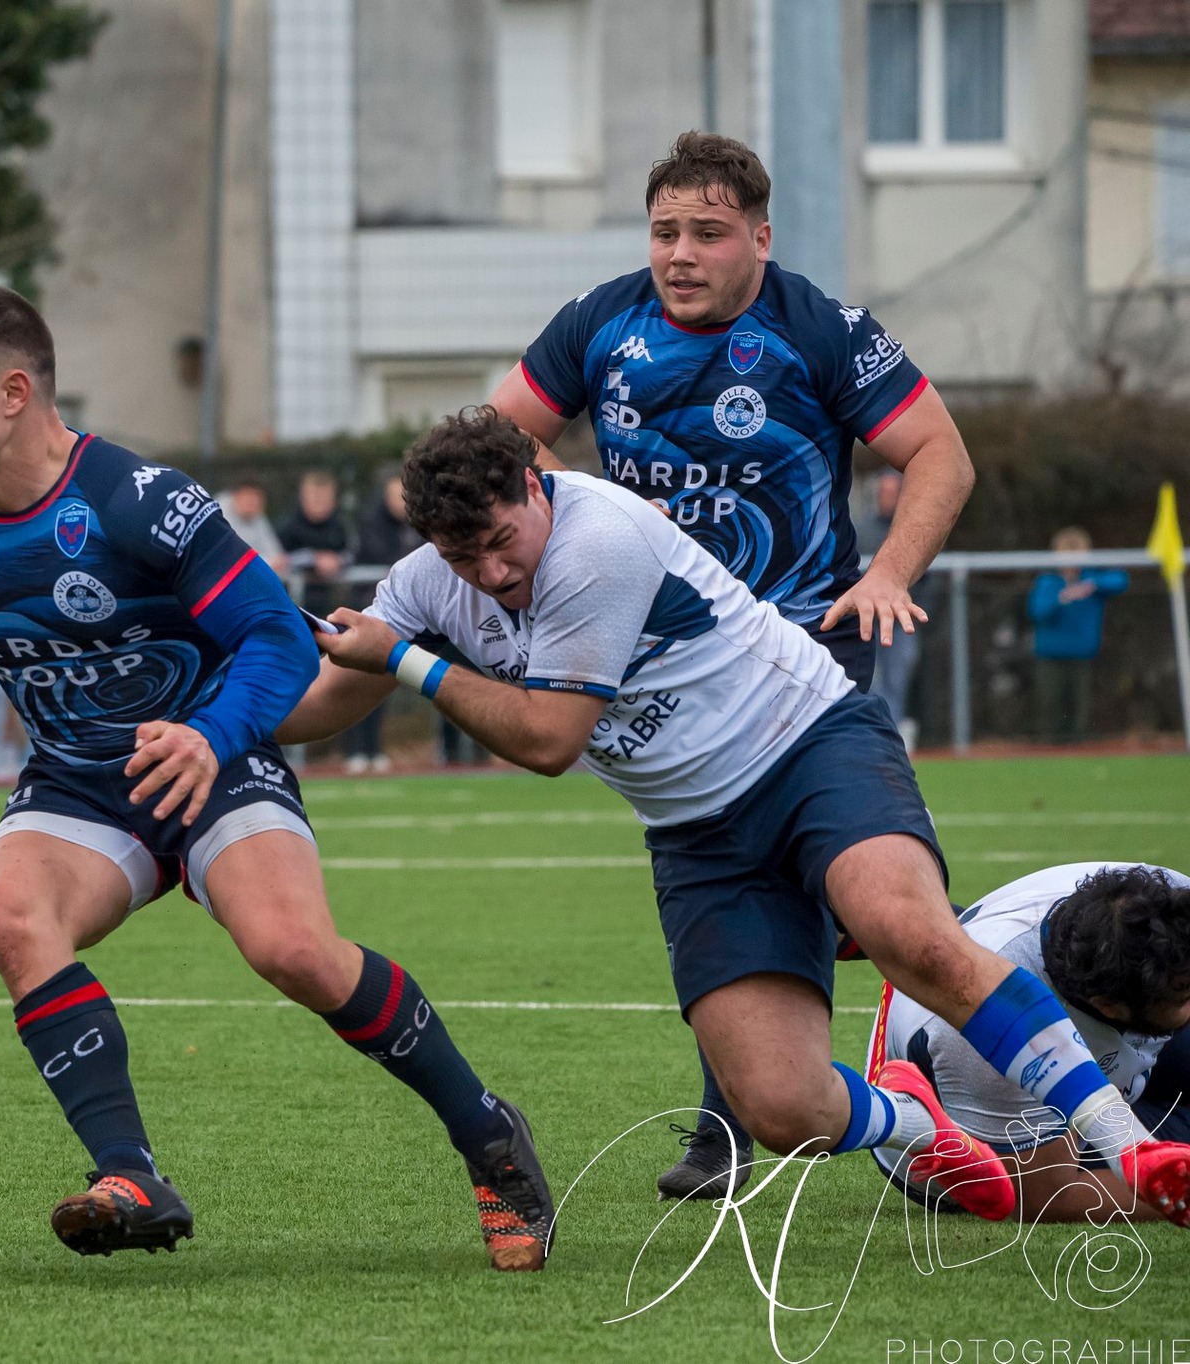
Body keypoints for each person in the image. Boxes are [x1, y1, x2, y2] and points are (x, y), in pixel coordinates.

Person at [279, 407, 1190, 1231]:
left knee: (911, 936)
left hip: (809, 747)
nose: (490, 573)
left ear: (532, 484)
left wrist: (407, 661)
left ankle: (1131, 1147)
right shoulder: (428, 580)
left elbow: (549, 739)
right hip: (699, 836)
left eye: (498, 542)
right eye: (460, 559)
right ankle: (916, 1122)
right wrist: (227, 726)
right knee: (782, 1108)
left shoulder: (597, 538)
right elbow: (329, 694)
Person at [0, 286, 555, 1270]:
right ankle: (127, 1175)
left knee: (295, 951)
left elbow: (275, 636)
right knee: (15, 921)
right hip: (78, 777)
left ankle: (486, 1132)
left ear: (12, 392)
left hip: (214, 753)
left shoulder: (139, 498)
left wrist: (210, 735)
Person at [486, 132, 978, 1200]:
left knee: (838, 883)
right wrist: (579, 515)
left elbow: (939, 451)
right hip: (672, 653)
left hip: (805, 638)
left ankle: (919, 1035)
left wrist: (888, 571)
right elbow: (495, 437)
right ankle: (746, 1098)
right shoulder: (598, 322)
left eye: (706, 233)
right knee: (741, 867)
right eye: (664, 231)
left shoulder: (819, 328)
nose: (679, 253)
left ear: (758, 237)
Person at [867, 863, 1190, 1221]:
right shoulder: (988, 1032)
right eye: (1183, 996)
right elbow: (1050, 1195)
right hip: (995, 1135)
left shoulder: (1166, 901)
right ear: (1108, 1005)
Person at [343, 465, 422, 774]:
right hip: (368, 610)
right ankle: (354, 750)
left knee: (381, 684)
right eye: (393, 494)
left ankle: (373, 748)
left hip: (403, 620)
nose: (399, 501)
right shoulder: (371, 523)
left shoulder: (418, 524)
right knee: (355, 681)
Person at [1028, 527, 1127, 744]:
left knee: (1081, 708)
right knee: (1050, 705)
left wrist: (1092, 585)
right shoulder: (1048, 581)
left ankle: (1080, 748)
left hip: (1082, 655)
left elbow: (1121, 581)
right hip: (1050, 655)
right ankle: (1048, 747)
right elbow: (1036, 612)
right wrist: (1060, 599)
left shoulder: (1091, 579)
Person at [853, 470, 920, 747]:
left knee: (898, 678)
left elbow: (928, 579)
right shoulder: (860, 531)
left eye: (894, 493)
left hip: (901, 621)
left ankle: (893, 735)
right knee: (871, 680)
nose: (889, 498)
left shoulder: (914, 530)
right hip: (866, 620)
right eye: (885, 493)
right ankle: (875, 736)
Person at [277, 468, 351, 618]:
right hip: (292, 606)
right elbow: (279, 560)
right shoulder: (287, 526)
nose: (319, 503)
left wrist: (337, 561)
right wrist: (313, 559)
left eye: (324, 498)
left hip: (332, 604)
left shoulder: (340, 525)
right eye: (315, 497)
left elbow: (352, 553)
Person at [220, 478, 288, 577]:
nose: (253, 503)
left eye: (257, 499)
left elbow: (274, 551)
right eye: (249, 497)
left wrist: (277, 561)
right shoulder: (219, 514)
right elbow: (232, 555)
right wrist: (269, 562)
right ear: (236, 496)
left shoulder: (258, 517)